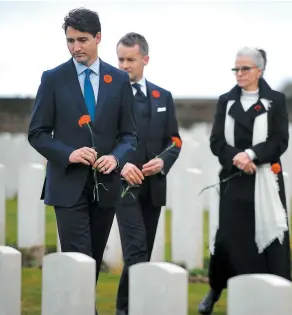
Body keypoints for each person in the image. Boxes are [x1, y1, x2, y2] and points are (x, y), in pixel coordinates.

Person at [28, 8, 137, 314]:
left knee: (91, 264)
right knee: (78, 259)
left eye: (82, 39)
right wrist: (69, 153)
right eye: (70, 40)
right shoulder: (53, 79)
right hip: (67, 185)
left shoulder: (117, 79)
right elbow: (37, 133)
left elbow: (129, 135)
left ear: (98, 38)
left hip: (105, 187)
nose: (75, 47)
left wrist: (115, 159)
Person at [198, 47, 291, 315]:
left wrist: (251, 154)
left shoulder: (276, 100)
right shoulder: (226, 101)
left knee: (270, 238)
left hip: (265, 180)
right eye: (236, 69)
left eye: (245, 69)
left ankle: (272, 293)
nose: (239, 74)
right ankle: (216, 288)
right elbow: (216, 141)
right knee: (227, 238)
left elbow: (279, 140)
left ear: (259, 71)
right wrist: (237, 158)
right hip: (234, 179)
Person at [114, 32, 181, 315]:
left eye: (131, 59)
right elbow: (103, 140)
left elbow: (175, 140)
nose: (124, 65)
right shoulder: (111, 96)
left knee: (142, 252)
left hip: (153, 187)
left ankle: (124, 308)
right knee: (136, 251)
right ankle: (129, 309)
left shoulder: (162, 96)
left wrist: (163, 162)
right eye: (120, 59)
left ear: (145, 59)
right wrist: (119, 165)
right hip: (122, 185)